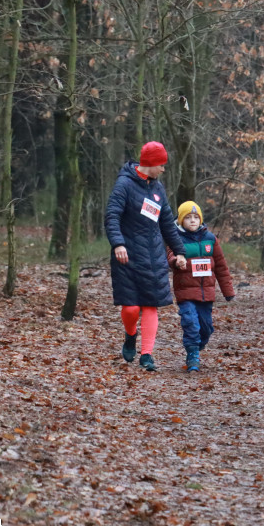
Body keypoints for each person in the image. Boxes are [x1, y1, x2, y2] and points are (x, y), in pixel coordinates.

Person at [105, 141, 187, 372]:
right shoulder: (124, 185)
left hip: (154, 258)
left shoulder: (158, 189)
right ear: (149, 163)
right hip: (128, 257)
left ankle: (147, 355)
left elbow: (167, 224)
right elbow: (111, 216)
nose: (163, 169)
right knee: (131, 309)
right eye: (161, 164)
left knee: (151, 306)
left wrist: (179, 251)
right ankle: (130, 334)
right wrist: (118, 244)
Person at [167, 202, 236, 372]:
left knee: (206, 328)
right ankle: (192, 355)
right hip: (186, 292)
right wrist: (177, 260)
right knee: (191, 323)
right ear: (181, 220)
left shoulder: (210, 239)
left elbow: (221, 267)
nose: (192, 221)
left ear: (201, 220)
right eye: (188, 218)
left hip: (206, 293)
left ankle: (198, 346)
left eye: (195, 217)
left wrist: (228, 291)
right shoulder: (175, 238)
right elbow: (169, 257)